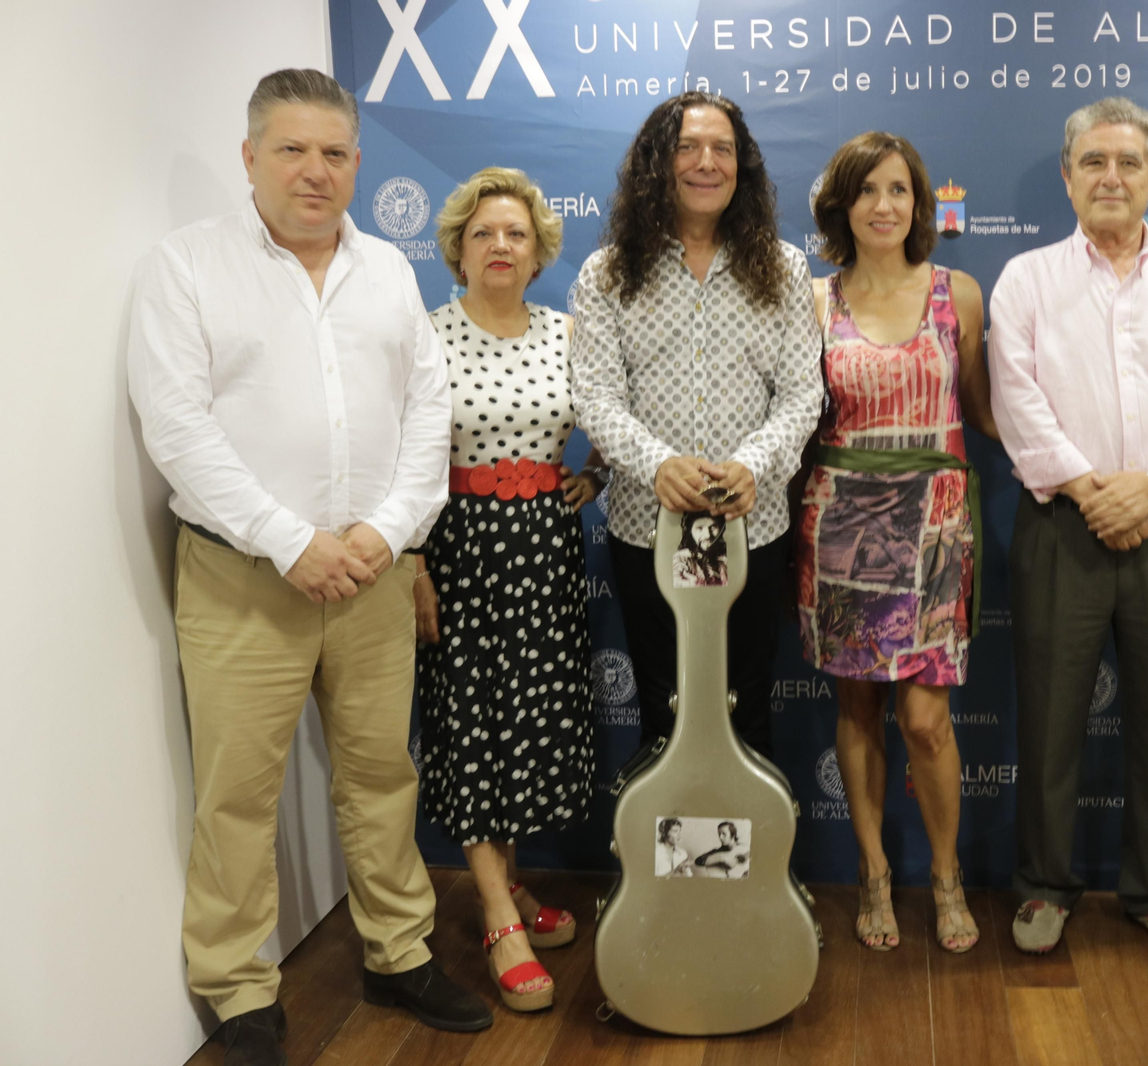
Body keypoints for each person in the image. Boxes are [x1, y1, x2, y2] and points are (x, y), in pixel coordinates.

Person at [127, 69, 490, 1064]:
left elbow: (427, 410)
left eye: (334, 153)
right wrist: (291, 540)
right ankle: (240, 992)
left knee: (380, 775)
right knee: (237, 793)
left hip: (372, 573)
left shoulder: (387, 273)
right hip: (244, 578)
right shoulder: (187, 267)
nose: (314, 172)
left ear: (358, 164)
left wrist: (387, 531)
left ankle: (397, 950)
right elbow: (179, 429)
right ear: (250, 157)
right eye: (291, 150)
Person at [990, 97, 1148, 959]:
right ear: (1067, 177)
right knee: (1049, 718)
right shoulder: (1026, 279)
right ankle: (1044, 888)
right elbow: (1014, 399)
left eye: (1128, 163)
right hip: (1062, 524)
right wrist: (1094, 489)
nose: (1110, 177)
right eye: (1093, 161)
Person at [571, 92, 823, 761]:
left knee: (746, 705)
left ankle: (747, 866)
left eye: (723, 149)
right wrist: (658, 465)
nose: (706, 163)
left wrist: (754, 465)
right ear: (659, 162)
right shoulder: (608, 274)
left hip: (753, 525)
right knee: (664, 708)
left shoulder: (785, 268)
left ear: (742, 166)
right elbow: (594, 397)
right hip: (645, 526)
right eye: (688, 147)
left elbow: (803, 395)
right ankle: (673, 869)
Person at [795, 131, 997, 954]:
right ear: (842, 204)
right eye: (867, 190)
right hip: (840, 523)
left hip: (937, 524)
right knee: (859, 708)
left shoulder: (959, 293)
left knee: (926, 722)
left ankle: (946, 876)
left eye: (900, 190)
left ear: (920, 204)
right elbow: (794, 423)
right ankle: (874, 874)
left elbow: (985, 412)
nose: (885, 205)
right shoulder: (813, 300)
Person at [412, 166, 603, 1013]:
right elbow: (401, 458)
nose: (500, 245)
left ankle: (514, 885)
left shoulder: (569, 334)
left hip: (547, 552)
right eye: (484, 233)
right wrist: (414, 561)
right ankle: (496, 912)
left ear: (538, 253)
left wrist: (593, 477)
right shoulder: (429, 337)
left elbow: (614, 418)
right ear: (458, 249)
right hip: (459, 553)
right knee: (472, 724)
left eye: (516, 234)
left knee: (527, 726)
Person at [672, 512, 729, 587]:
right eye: (699, 528)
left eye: (713, 527)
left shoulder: (725, 558)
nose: (707, 535)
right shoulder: (681, 559)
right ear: (690, 531)